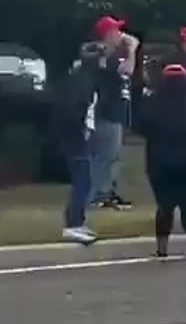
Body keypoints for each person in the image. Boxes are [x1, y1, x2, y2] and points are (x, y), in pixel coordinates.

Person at [138, 65, 186, 260]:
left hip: (160, 161)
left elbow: (141, 128)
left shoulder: (152, 103)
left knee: (164, 205)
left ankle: (162, 249)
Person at [52, 43, 106, 244]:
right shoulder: (83, 81)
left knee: (84, 179)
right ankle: (73, 224)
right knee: (83, 180)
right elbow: (74, 109)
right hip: (75, 137)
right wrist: (82, 131)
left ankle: (77, 221)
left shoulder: (81, 77)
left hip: (75, 135)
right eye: (101, 57)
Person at [89, 16, 139, 210]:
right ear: (108, 34)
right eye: (116, 31)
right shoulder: (103, 56)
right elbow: (126, 70)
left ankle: (108, 191)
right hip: (106, 112)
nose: (121, 34)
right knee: (105, 155)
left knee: (113, 155)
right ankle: (99, 194)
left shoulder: (113, 55)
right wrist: (132, 49)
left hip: (117, 110)